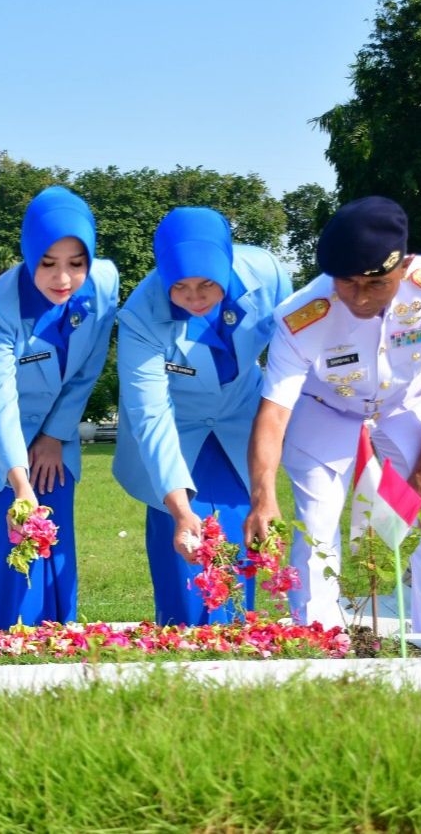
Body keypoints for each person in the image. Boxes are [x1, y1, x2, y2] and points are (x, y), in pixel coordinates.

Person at [243, 196, 421, 632]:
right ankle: (318, 637)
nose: (360, 298)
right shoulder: (300, 316)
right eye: (346, 283)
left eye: (377, 284)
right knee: (316, 525)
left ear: (403, 269)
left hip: (407, 404)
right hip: (326, 409)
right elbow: (273, 412)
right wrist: (262, 494)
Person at [0, 185, 118, 630]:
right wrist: (19, 481)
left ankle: (62, 640)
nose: (63, 279)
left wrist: (54, 437)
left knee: (57, 538)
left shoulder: (105, 284)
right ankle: (9, 644)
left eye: (76, 264)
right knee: (16, 533)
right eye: (48, 263)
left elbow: (86, 369)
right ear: (29, 253)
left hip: (50, 431)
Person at [112, 207, 291, 625]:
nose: (195, 298)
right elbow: (150, 413)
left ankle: (239, 636)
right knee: (187, 545)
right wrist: (177, 506)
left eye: (208, 283)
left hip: (241, 421)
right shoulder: (141, 314)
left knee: (237, 533)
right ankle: (181, 640)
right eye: (180, 287)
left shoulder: (268, 275)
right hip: (175, 431)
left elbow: (293, 356)